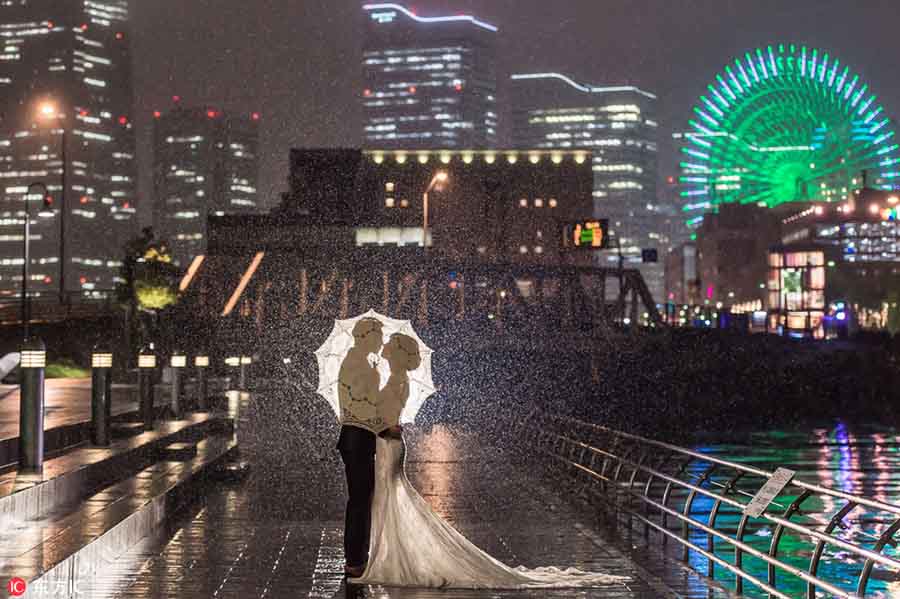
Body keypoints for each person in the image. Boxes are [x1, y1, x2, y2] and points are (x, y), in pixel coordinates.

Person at [351, 333, 627, 589]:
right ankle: (389, 556)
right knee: (388, 501)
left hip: (389, 444)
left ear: (396, 355)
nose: (384, 349)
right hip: (388, 447)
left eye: (388, 347)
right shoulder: (394, 378)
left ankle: (390, 559)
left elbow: (392, 425)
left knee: (389, 500)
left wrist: (372, 419)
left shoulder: (397, 381)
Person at [336, 317, 384, 577]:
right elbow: (357, 405)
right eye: (378, 337)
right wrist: (383, 424)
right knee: (359, 500)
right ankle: (355, 559)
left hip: (360, 437)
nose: (381, 342)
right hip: (357, 438)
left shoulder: (362, 362)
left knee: (363, 498)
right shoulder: (355, 363)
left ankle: (357, 557)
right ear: (366, 337)